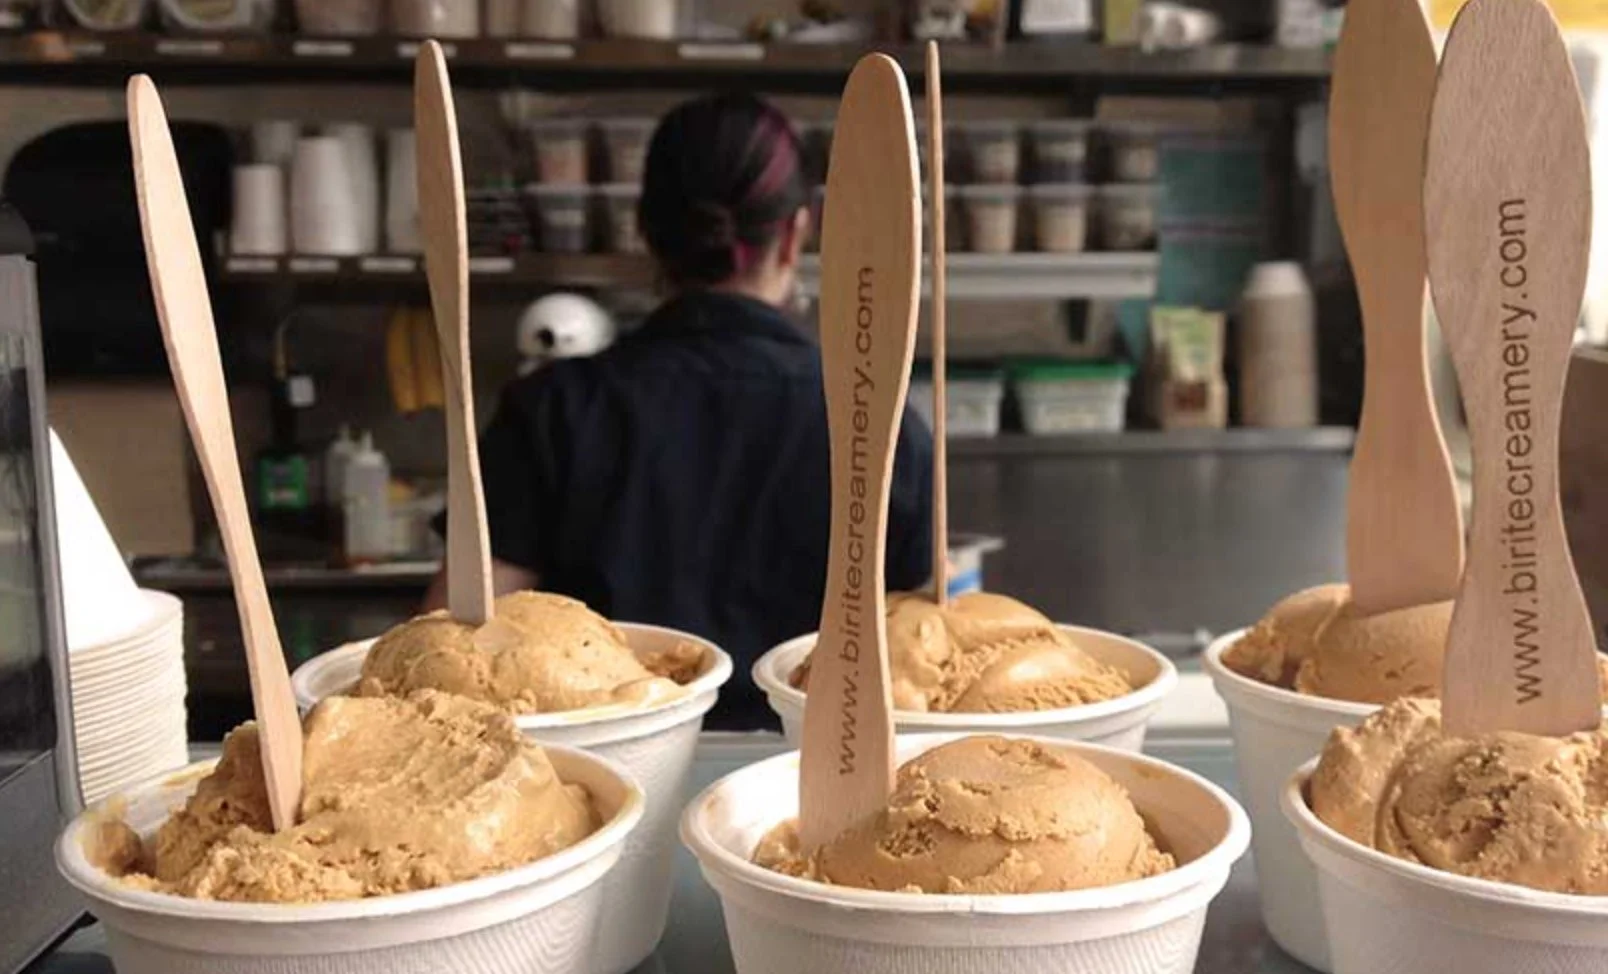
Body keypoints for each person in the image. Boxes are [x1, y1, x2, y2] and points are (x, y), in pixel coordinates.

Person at [425, 93, 933, 728]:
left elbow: (452, 644)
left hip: (602, 790)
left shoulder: (553, 410)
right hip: (807, 787)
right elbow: (920, 642)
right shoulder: (878, 419)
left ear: (644, 228)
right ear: (798, 231)